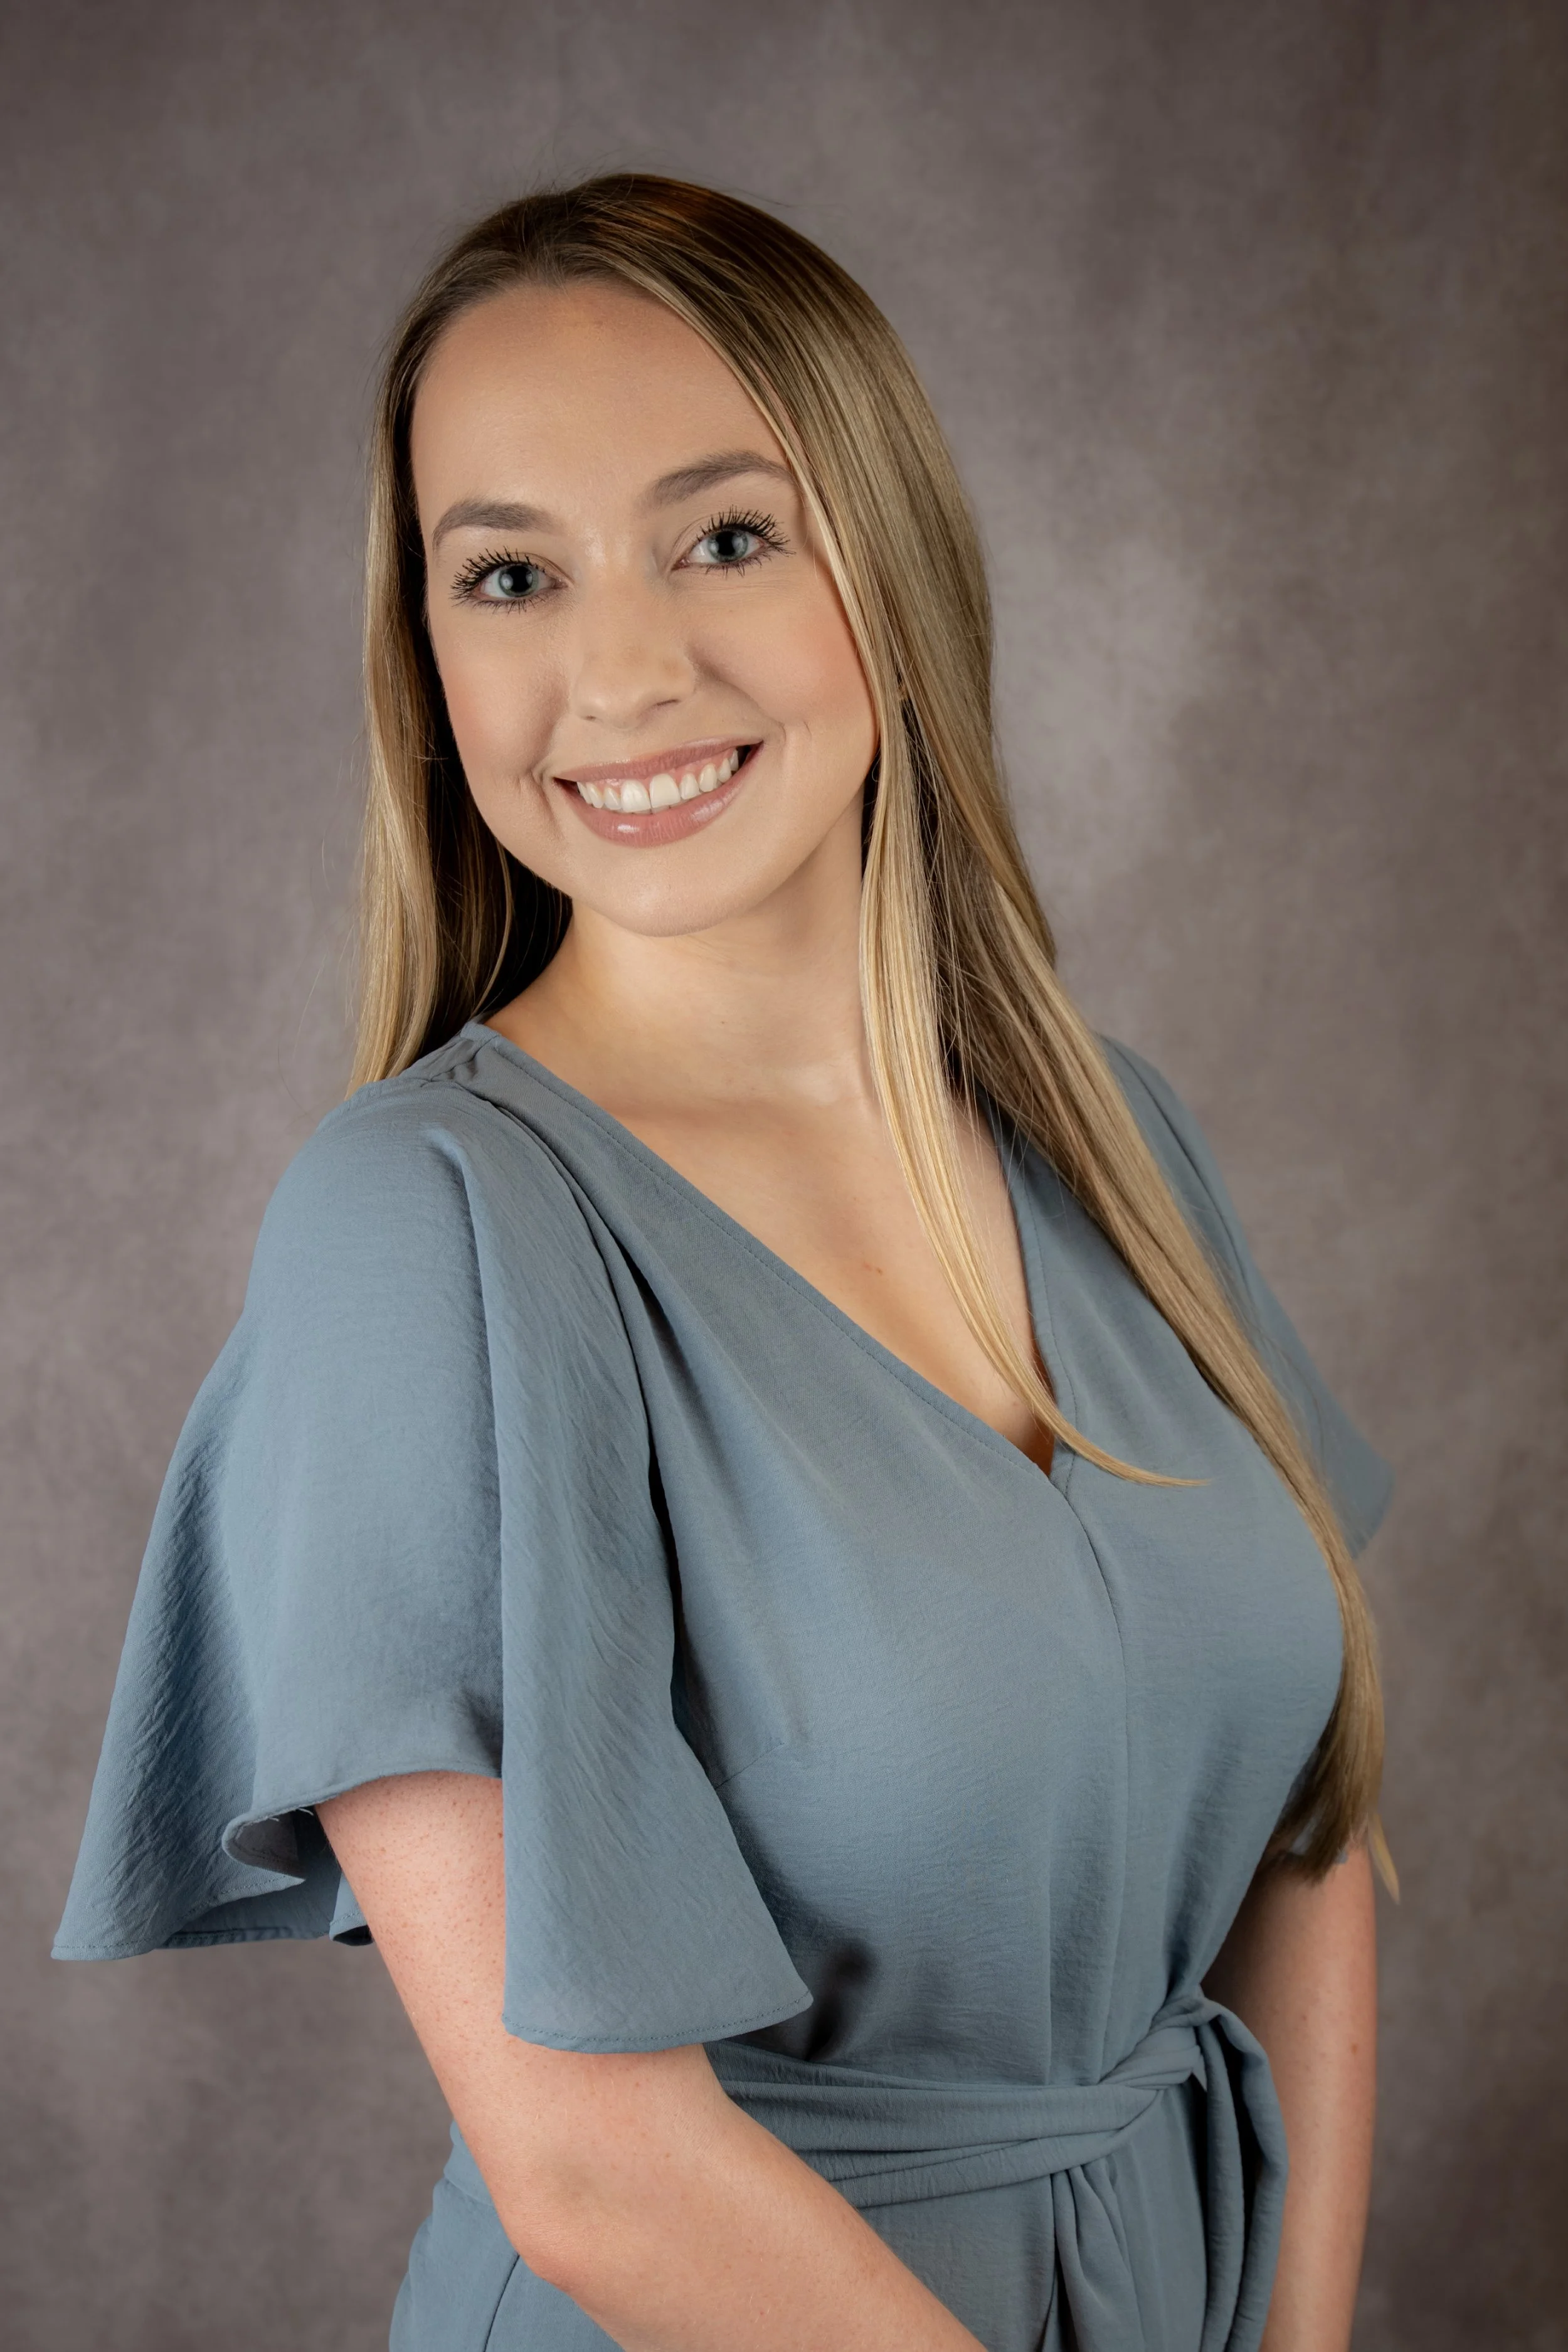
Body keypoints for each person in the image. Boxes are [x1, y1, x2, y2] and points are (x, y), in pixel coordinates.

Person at [55, 176, 1393, 2352]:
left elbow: (1305, 1832)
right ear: (427, 655)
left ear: (890, 555)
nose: (622, 671)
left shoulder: (1114, 1140)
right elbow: (592, 2165)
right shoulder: (419, 1226)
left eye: (726, 536)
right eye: (510, 573)